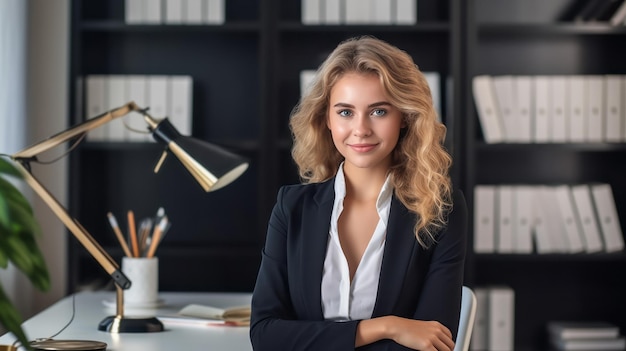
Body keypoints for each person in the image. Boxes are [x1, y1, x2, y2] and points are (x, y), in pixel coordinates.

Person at [249, 36, 467, 351]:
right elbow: (265, 335)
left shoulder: (440, 210)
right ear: (326, 118)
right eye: (345, 112)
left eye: (379, 112)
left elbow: (433, 343)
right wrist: (386, 327)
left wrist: (311, 339)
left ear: (404, 116)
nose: (361, 129)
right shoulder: (291, 208)